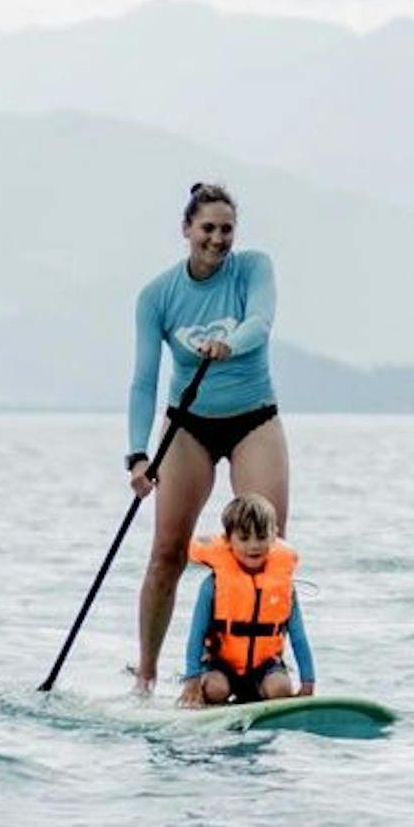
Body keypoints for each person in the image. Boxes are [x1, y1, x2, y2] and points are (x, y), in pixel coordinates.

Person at [125, 180, 290, 694]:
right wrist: (137, 456)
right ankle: (147, 676)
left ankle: (258, 668)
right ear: (186, 230)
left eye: (227, 230)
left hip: (253, 419)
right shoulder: (158, 296)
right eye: (208, 229)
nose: (218, 240)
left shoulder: (254, 268)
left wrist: (229, 344)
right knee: (167, 553)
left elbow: (260, 323)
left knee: (266, 549)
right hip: (188, 426)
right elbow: (144, 380)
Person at [178, 492, 312, 706]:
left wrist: (308, 682)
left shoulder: (285, 587)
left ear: (274, 535)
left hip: (265, 667)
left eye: (261, 536)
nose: (253, 545)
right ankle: (206, 693)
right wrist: (191, 679)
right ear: (228, 539)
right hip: (220, 667)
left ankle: (257, 694)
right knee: (216, 689)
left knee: (281, 689)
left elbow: (299, 638)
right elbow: (196, 635)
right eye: (244, 537)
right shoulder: (212, 585)